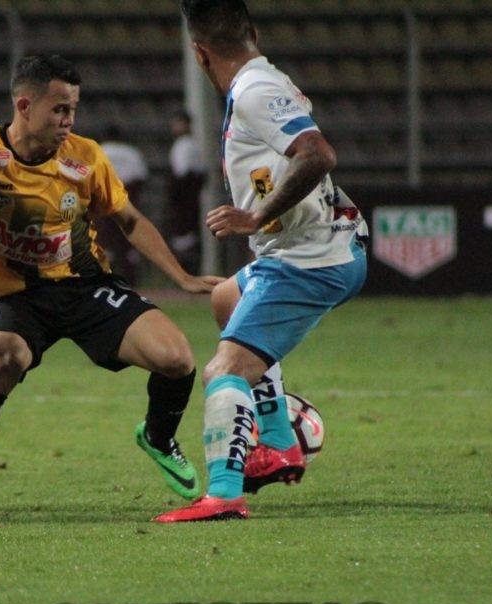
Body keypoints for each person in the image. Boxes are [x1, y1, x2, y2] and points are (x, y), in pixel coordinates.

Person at [0, 54, 222, 515]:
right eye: (60, 109)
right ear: (25, 105)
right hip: (19, 296)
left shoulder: (85, 157)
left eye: (73, 109)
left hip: (85, 286)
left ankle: (158, 436)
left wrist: (182, 277)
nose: (69, 120)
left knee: (177, 358)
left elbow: (128, 220)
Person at [154, 0, 368, 522]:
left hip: (308, 259)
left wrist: (256, 217)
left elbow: (317, 154)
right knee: (228, 298)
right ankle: (276, 441)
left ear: (199, 54)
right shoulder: (265, 79)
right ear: (251, 31)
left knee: (224, 369)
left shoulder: (254, 91)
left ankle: (225, 494)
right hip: (315, 247)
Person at [97, 124, 149, 283]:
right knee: (128, 241)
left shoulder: (99, 150)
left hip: (104, 200)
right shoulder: (132, 153)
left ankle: (105, 277)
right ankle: (131, 280)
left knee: (105, 240)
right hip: (127, 199)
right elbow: (141, 178)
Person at [168, 111, 207, 274]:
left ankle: (187, 273)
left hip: (184, 198)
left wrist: (174, 194)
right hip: (193, 197)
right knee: (192, 233)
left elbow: (182, 173)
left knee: (184, 234)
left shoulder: (183, 145)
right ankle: (192, 271)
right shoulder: (195, 144)